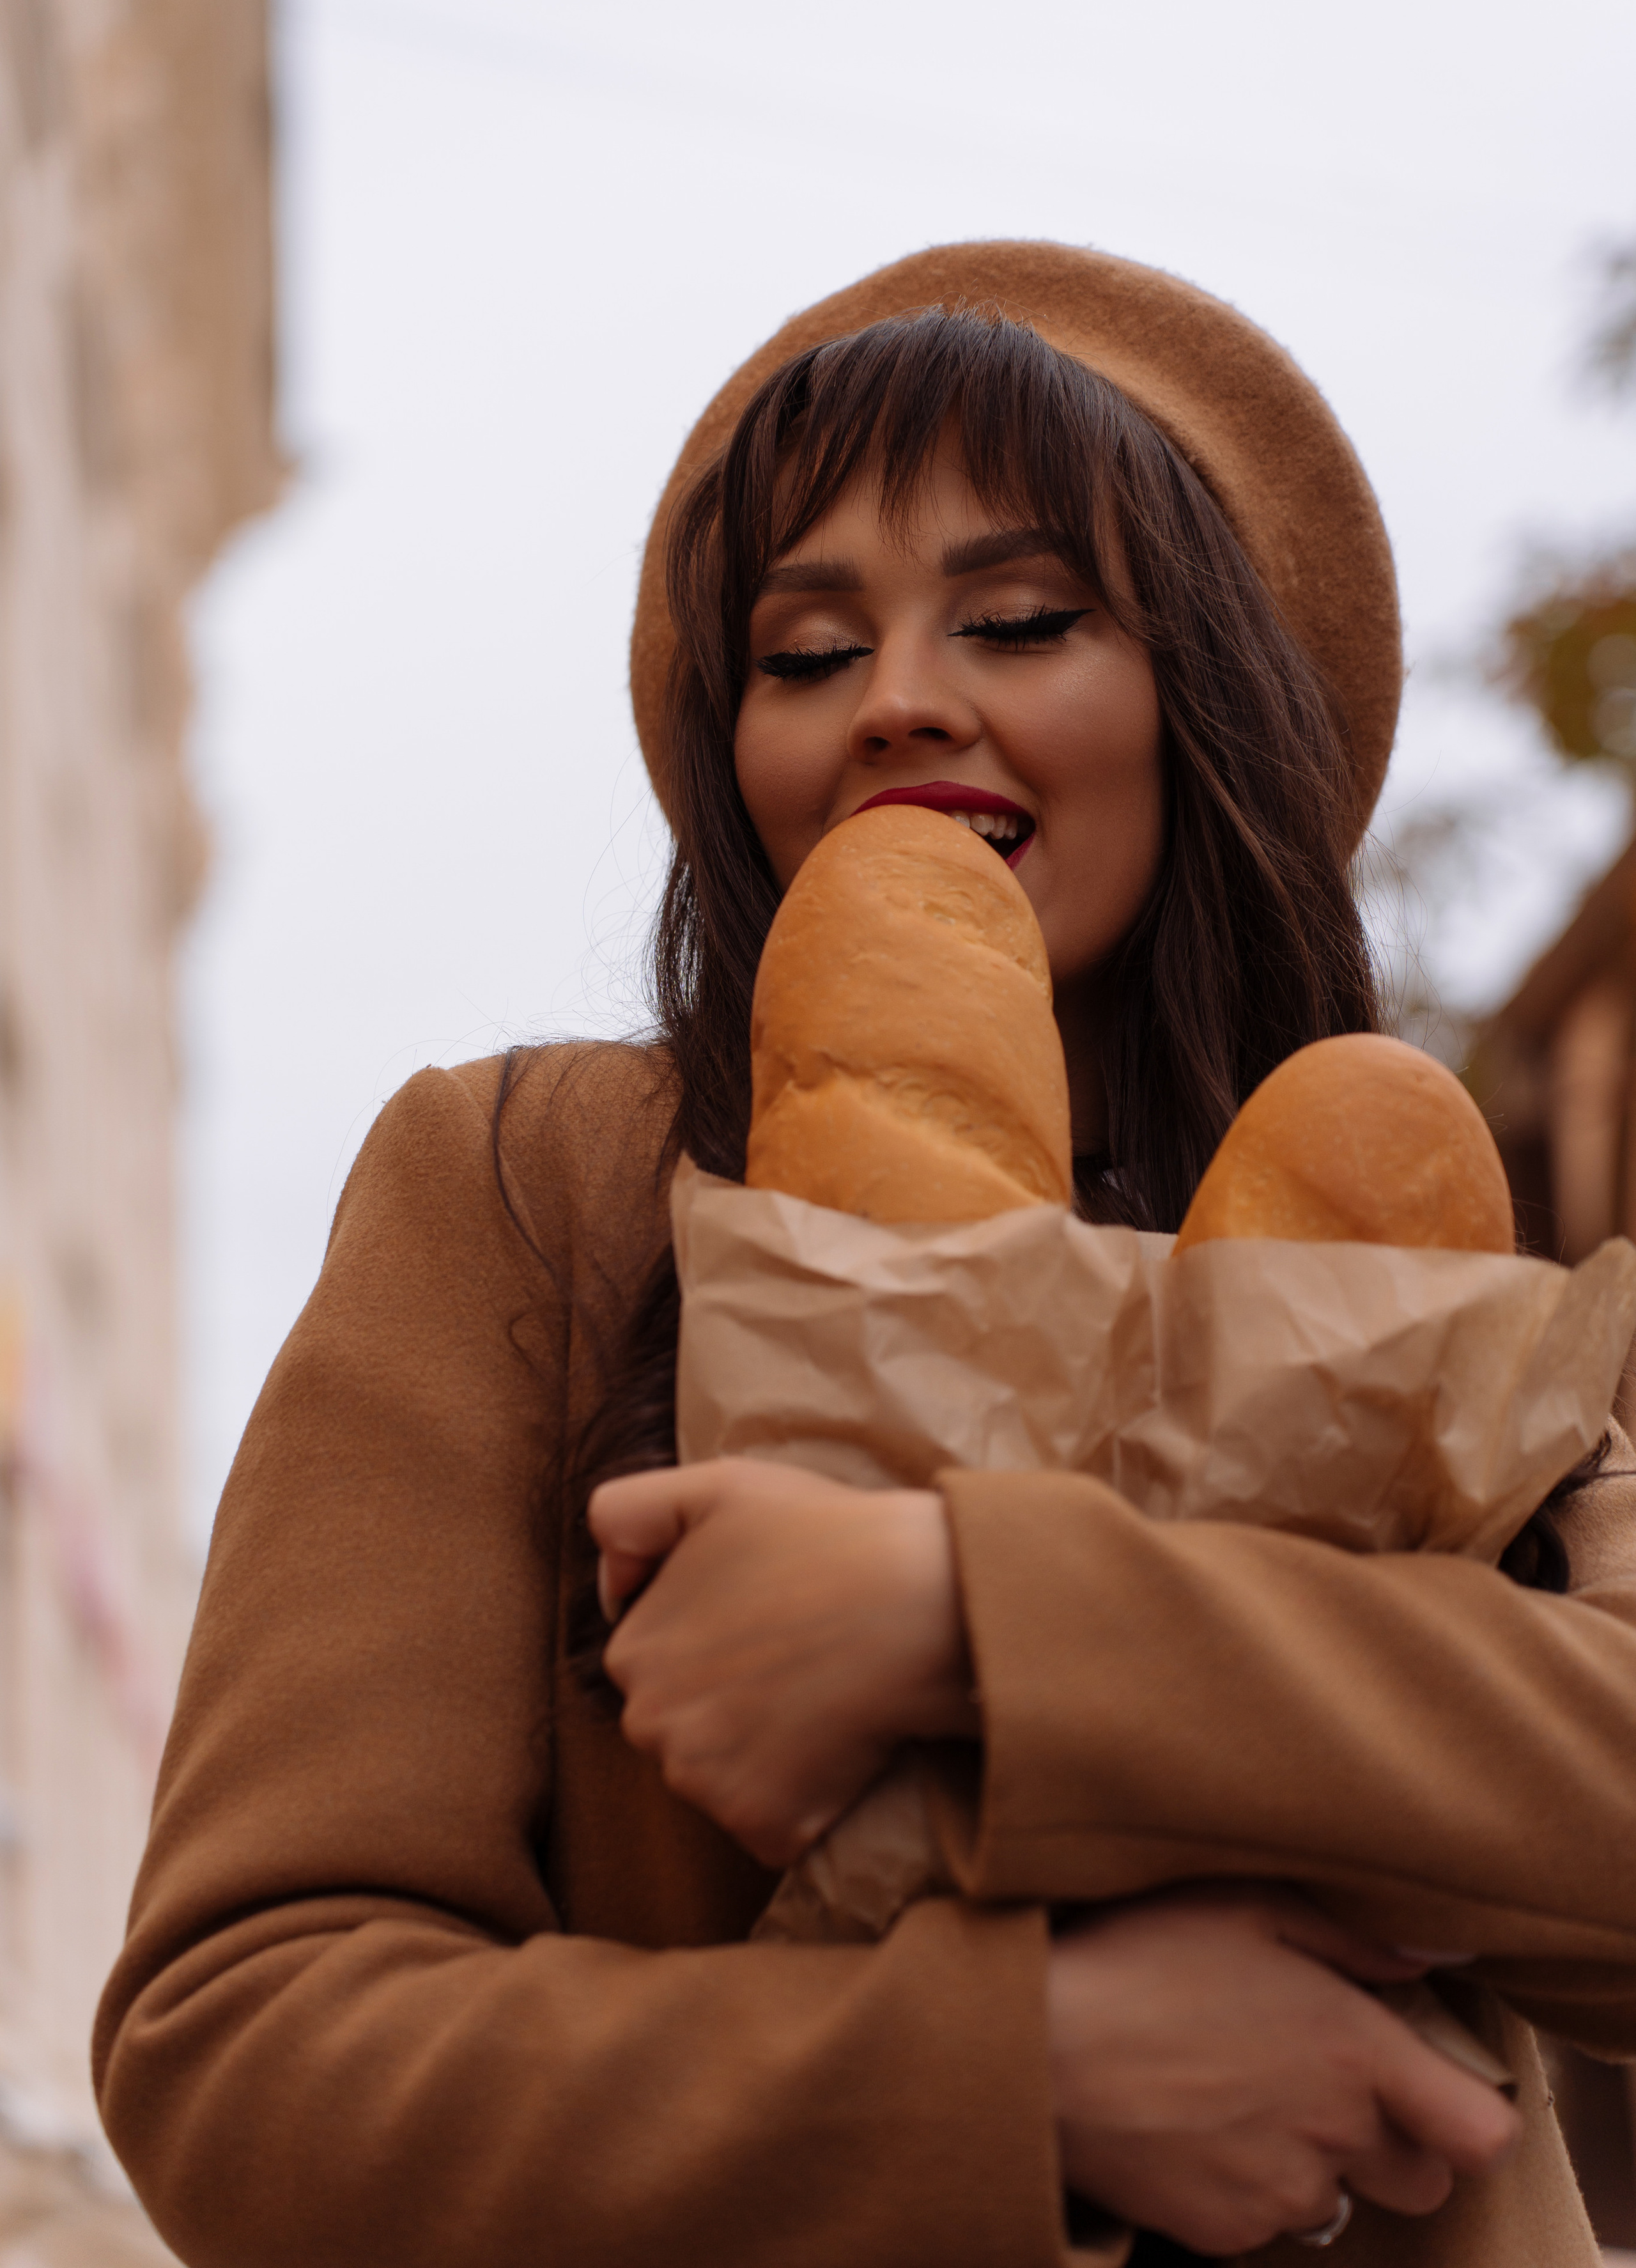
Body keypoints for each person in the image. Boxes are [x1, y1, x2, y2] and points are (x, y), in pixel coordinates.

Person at [95, 244, 1636, 2268]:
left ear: (1210, 695)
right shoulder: (536, 1184)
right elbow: (248, 2054)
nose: (899, 696)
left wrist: (976, 1619)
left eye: (1020, 619)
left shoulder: (1418, 1240)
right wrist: (1018, 2079)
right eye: (806, 651)